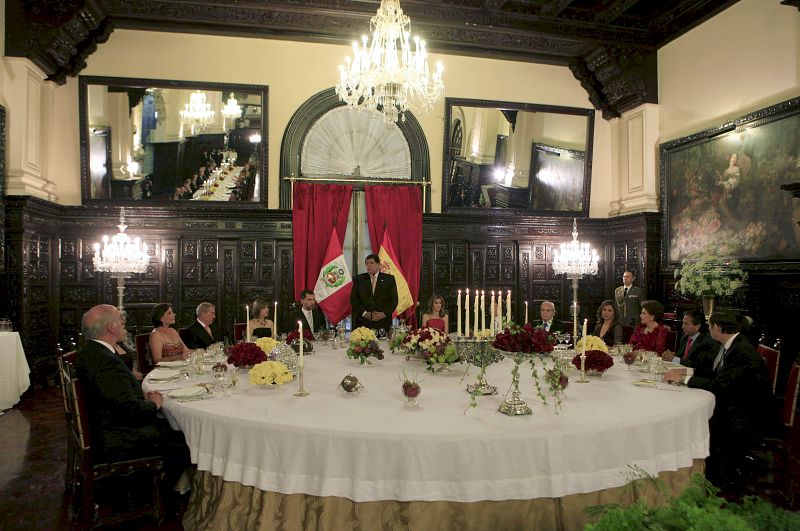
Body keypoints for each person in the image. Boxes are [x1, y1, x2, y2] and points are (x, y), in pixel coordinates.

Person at [74, 305, 190, 494]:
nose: (124, 325)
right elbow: (128, 409)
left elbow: (114, 395)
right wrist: (154, 404)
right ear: (111, 328)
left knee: (172, 427)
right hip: (117, 435)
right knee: (184, 437)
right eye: (121, 321)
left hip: (106, 424)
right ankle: (163, 494)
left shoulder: (92, 353)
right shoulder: (106, 361)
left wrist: (141, 396)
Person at [664, 311, 772, 485]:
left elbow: (718, 385)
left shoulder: (739, 351)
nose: (708, 330)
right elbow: (717, 374)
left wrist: (684, 379)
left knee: (695, 417)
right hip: (738, 402)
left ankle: (712, 476)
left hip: (743, 413)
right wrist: (687, 371)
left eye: (709, 326)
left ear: (717, 327)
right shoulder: (733, 344)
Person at [660, 310, 719, 376]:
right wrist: (670, 356)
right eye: (683, 323)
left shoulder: (707, 341)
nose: (682, 327)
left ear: (697, 326)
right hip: (680, 373)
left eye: (686, 324)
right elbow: (680, 357)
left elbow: (698, 365)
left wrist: (674, 359)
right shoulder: (685, 338)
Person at [350, 254, 398, 332]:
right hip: (363, 322)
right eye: (367, 263)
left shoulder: (389, 279)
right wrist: (365, 313)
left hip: (382, 322)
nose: (368, 265)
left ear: (378, 265)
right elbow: (354, 300)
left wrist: (383, 314)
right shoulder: (359, 279)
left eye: (371, 263)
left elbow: (394, 300)